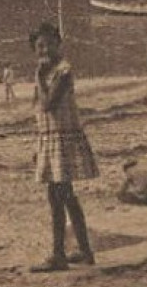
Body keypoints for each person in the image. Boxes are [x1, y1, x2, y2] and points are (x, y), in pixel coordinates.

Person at [29, 21, 98, 271]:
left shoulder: (62, 70)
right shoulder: (49, 72)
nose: (44, 50)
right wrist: (37, 146)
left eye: (48, 44)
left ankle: (61, 254)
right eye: (39, 46)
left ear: (58, 44)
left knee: (61, 196)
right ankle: (83, 250)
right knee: (62, 196)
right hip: (50, 138)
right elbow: (38, 110)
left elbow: (48, 104)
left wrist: (38, 77)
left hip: (62, 138)